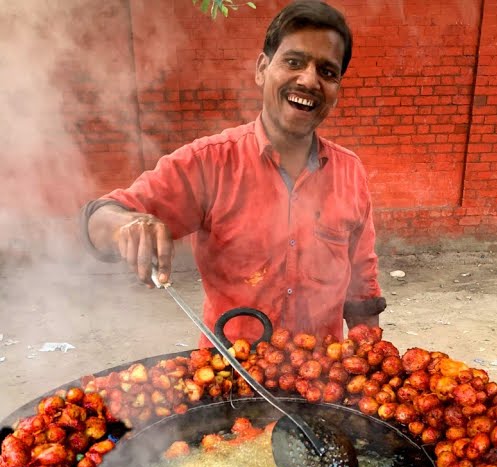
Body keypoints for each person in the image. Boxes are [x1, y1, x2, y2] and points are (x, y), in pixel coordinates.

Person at [81, 0, 385, 345]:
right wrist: (124, 225)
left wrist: (369, 362)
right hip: (228, 382)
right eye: (294, 62)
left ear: (336, 90)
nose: (308, 80)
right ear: (261, 69)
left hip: (317, 387)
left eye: (327, 72)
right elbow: (98, 217)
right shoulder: (208, 163)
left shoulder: (350, 173)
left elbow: (363, 291)